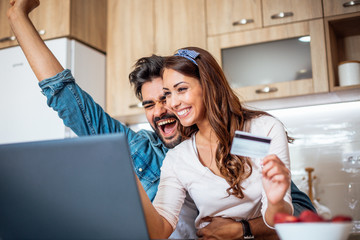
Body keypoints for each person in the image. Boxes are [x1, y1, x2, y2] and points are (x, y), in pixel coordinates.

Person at [7, 0, 315, 239]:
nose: (163, 109)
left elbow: (299, 212)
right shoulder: (144, 151)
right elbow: (66, 98)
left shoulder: (247, 137)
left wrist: (243, 229)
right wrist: (18, 17)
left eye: (172, 94)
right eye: (151, 103)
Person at [136, 47, 297, 239]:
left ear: (208, 84)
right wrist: (131, 183)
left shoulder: (261, 131)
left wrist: (276, 201)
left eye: (181, 89)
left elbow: (279, 221)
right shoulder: (179, 158)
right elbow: (159, 231)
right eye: (168, 93)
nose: (172, 103)